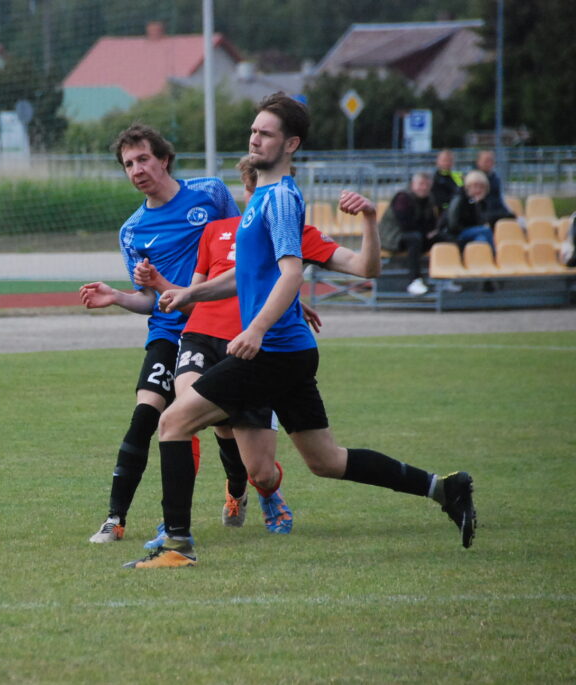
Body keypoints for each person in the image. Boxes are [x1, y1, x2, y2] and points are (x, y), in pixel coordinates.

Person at [124, 93, 476, 569]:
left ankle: (177, 545)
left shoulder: (281, 198)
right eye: (254, 130)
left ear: (290, 144)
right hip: (290, 351)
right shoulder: (262, 199)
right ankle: (445, 488)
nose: (254, 138)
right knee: (326, 460)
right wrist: (191, 294)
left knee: (173, 422)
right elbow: (249, 274)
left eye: (266, 133)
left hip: (271, 351)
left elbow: (294, 274)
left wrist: (255, 330)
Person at [134, 154, 382, 546]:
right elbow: (204, 291)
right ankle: (176, 523)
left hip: (254, 348)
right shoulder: (216, 232)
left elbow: (302, 274)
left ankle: (258, 489)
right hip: (203, 336)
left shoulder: (288, 230)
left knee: (266, 469)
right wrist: (165, 285)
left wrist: (287, 307)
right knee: (181, 418)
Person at [79, 123, 240, 544]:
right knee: (145, 417)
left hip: (216, 326)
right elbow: (151, 300)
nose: (136, 169)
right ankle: (115, 519)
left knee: (226, 425)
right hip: (169, 333)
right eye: (128, 164)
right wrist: (117, 297)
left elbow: (242, 250)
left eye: (143, 159)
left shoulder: (210, 194)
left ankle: (239, 487)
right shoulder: (132, 231)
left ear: (164, 159)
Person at [378, 172, 441, 295]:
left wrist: (432, 233)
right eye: (421, 184)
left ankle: (444, 280)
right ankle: (414, 280)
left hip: (416, 235)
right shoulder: (402, 198)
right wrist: (426, 233)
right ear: (413, 184)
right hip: (392, 237)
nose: (424, 188)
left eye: (427, 185)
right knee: (414, 238)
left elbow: (432, 223)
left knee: (442, 238)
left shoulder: (430, 199)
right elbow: (405, 224)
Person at [444, 170, 496, 251]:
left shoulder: (483, 202)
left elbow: (482, 222)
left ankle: (481, 258)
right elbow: (453, 225)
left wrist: (478, 204)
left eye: (482, 187)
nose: (478, 190)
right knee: (486, 231)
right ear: (468, 186)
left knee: (482, 239)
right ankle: (494, 255)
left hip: (473, 232)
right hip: (456, 234)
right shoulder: (459, 199)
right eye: (475, 186)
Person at [474, 150, 516, 228]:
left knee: (514, 218)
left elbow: (499, 200)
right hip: (482, 215)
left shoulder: (495, 178)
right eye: (486, 161)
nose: (489, 163)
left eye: (491, 160)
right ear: (478, 162)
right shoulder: (474, 179)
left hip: (496, 212)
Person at [431, 149, 462, 217]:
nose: (447, 163)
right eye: (444, 160)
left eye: (450, 160)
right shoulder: (434, 179)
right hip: (444, 213)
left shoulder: (458, 176)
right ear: (438, 161)